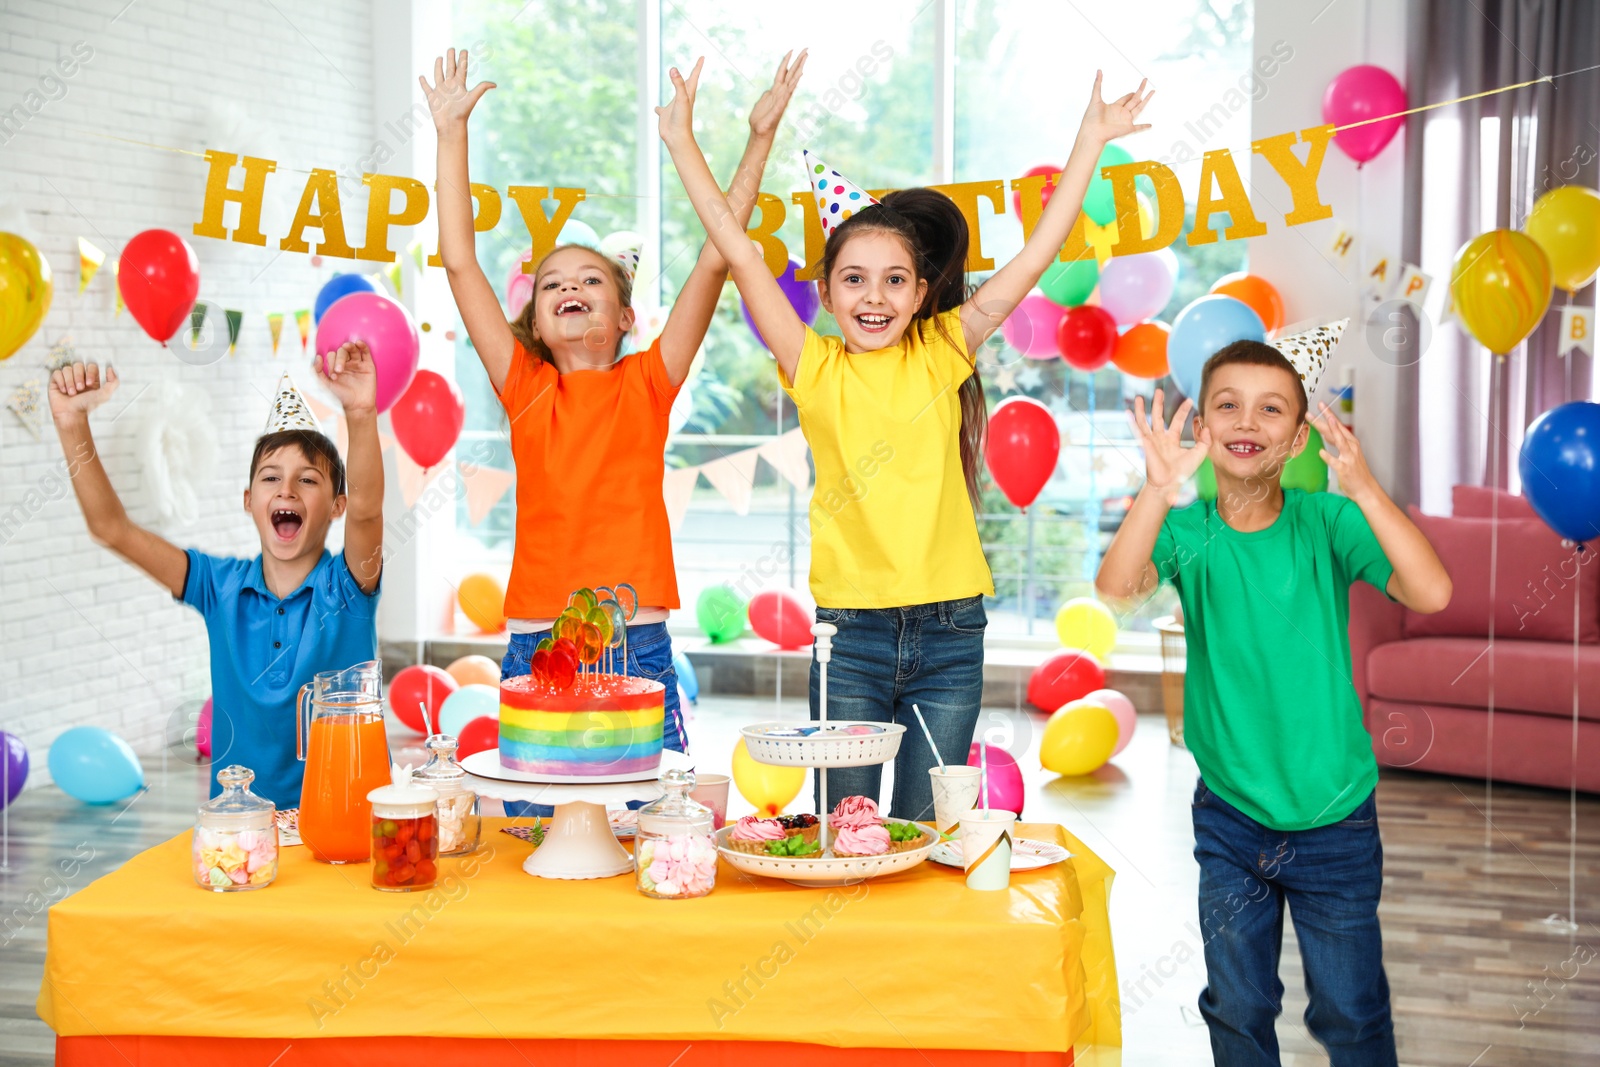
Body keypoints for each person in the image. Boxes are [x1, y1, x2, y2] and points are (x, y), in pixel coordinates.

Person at [658, 57, 1151, 820]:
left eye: (895, 279)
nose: (874, 295)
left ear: (922, 294)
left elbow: (1037, 255)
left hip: (951, 629)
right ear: (825, 294)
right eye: (853, 278)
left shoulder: (944, 350)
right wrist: (686, 139)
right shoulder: (812, 365)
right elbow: (736, 248)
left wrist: (1089, 138)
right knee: (846, 835)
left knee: (926, 832)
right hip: (848, 637)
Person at [422, 47, 804, 782]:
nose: (570, 287)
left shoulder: (649, 381)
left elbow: (718, 259)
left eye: (590, 279)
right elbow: (461, 263)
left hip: (636, 639)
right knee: (540, 813)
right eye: (552, 283)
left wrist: (757, 140)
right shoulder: (525, 385)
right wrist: (450, 136)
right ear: (533, 316)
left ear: (624, 314)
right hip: (540, 641)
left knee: (655, 816)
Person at [1096, 337, 1452, 1066]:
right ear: (1204, 431)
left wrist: (1367, 490)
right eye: (1226, 404)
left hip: (1336, 819)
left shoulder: (1327, 521)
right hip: (1230, 817)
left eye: (1270, 408)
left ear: (1296, 439)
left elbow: (1434, 592)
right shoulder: (1187, 531)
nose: (1245, 419)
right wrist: (1157, 491)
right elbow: (1116, 587)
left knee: (1351, 1013)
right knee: (1239, 1005)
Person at [48, 345, 385, 807]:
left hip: (346, 821)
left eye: (307, 480)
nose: (286, 489)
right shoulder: (217, 585)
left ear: (336, 506)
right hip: (244, 830)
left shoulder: (348, 588)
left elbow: (368, 512)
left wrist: (360, 413)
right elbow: (110, 529)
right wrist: (72, 424)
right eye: (270, 478)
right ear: (249, 501)